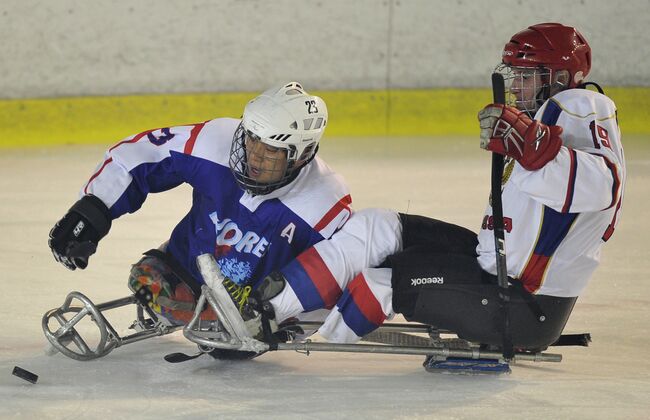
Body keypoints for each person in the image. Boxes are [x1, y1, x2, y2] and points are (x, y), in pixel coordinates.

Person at [242, 23, 626, 352]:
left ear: (559, 77)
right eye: (514, 74)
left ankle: (275, 324)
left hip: (522, 306)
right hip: (496, 272)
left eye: (527, 76)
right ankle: (268, 305)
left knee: (378, 284)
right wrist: (535, 146)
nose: (517, 87)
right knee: (378, 226)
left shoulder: (579, 104)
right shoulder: (546, 119)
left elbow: (605, 187)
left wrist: (536, 148)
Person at [48, 82, 352, 329]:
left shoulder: (325, 201)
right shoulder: (217, 139)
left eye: (271, 149)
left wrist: (276, 321)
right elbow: (144, 153)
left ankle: (230, 321)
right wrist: (94, 207)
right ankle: (211, 319)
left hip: (258, 305)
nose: (254, 155)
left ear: (301, 155)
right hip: (187, 267)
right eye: (252, 139)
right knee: (146, 278)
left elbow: (336, 276)